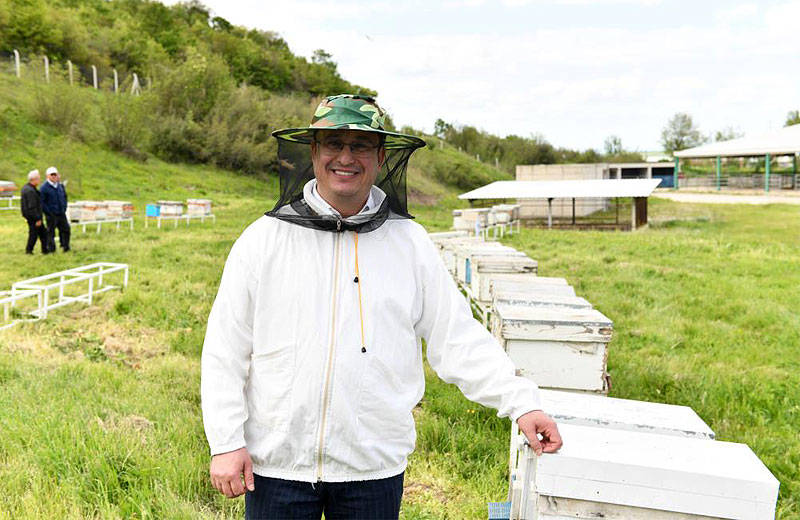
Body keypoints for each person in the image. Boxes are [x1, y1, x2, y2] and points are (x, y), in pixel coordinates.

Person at [201, 95, 562, 519]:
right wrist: (226, 441)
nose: (345, 158)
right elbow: (226, 348)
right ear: (314, 152)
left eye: (360, 146)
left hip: (371, 467)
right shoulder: (264, 240)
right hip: (278, 465)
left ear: (381, 155)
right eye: (334, 144)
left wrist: (522, 402)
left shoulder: (410, 244)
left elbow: (456, 336)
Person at [40, 166, 70, 253]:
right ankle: (51, 248)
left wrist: (64, 207)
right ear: (47, 176)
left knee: (66, 229)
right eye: (52, 175)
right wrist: (48, 212)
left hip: (61, 212)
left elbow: (64, 197)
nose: (53, 176)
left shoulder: (60, 186)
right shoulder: (44, 188)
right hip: (51, 214)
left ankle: (66, 246)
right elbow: (42, 202)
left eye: (55, 174)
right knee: (51, 232)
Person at [20, 169, 48, 255]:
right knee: (35, 234)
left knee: (40, 233)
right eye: (38, 178)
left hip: (29, 216)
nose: (39, 180)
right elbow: (32, 206)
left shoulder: (26, 188)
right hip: (33, 216)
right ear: (34, 179)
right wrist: (37, 218)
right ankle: (29, 250)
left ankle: (43, 250)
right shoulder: (31, 191)